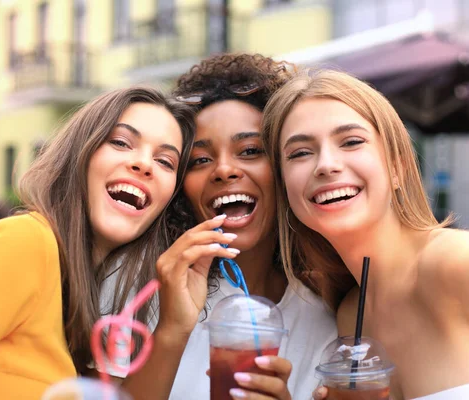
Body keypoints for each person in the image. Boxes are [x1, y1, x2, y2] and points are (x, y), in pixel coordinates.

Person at [0, 86, 219, 400]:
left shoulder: (75, 289)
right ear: (79, 154)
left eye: (165, 162)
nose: (145, 164)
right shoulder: (20, 246)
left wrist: (173, 330)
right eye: (121, 142)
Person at [262, 69, 469, 400]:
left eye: (352, 142)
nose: (326, 164)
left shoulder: (448, 262)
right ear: (285, 187)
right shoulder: (348, 314)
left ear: (398, 168)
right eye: (300, 152)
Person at [116, 54, 338, 400]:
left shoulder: (324, 323)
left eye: (249, 151)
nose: (223, 170)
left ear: (285, 168)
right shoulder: (137, 289)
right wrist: (172, 331)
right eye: (200, 160)